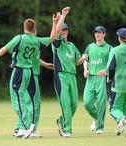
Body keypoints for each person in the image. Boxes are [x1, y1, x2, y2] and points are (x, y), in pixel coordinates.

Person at [0, 15, 59, 138]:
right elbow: (52, 38)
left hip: (20, 70)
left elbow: (5, 48)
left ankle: (25, 127)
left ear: (24, 27)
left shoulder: (20, 38)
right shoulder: (36, 40)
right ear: (34, 29)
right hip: (28, 71)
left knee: (17, 97)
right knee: (23, 98)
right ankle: (24, 127)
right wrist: (54, 23)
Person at [52, 8, 88, 138]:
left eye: (65, 29)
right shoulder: (57, 43)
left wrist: (83, 58)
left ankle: (62, 120)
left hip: (72, 76)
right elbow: (56, 32)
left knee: (74, 104)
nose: (63, 31)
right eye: (62, 29)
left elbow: (77, 61)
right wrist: (64, 16)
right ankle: (67, 130)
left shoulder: (72, 46)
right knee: (66, 104)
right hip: (61, 76)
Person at [83, 26, 112, 134]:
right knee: (87, 103)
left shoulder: (109, 48)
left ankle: (100, 127)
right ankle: (96, 118)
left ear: (104, 34)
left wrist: (106, 71)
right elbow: (85, 59)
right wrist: (85, 69)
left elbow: (113, 64)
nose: (97, 34)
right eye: (95, 32)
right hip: (90, 78)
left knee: (101, 103)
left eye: (99, 32)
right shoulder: (90, 46)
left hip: (102, 78)